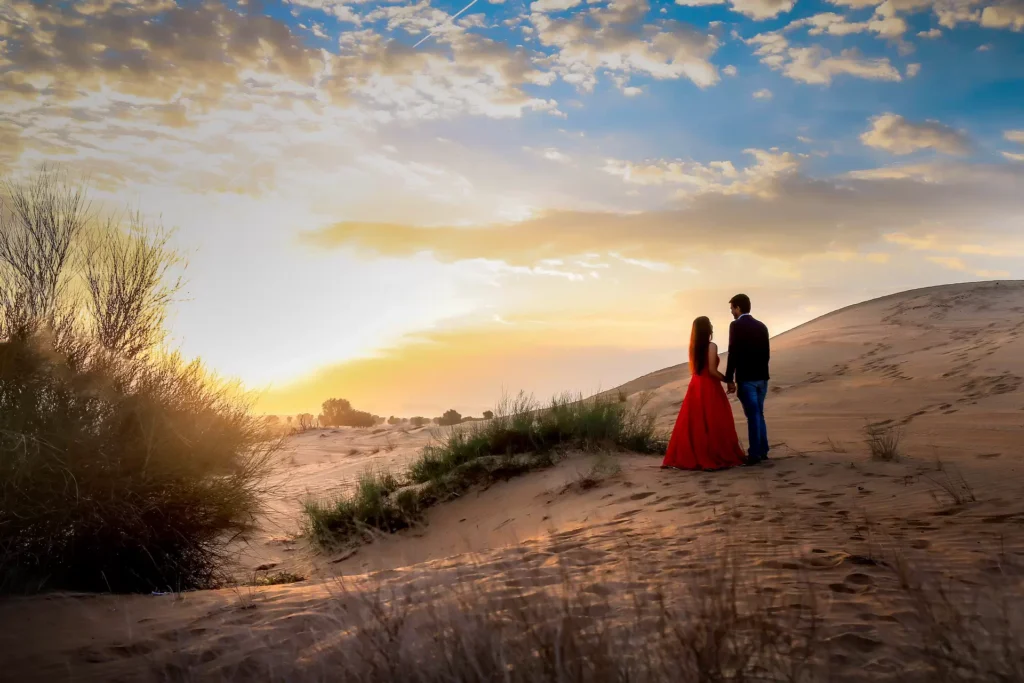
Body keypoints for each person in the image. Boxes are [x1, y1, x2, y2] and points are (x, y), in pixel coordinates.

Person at [662, 316, 747, 471]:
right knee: (715, 420)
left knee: (696, 422)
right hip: (709, 386)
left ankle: (694, 455)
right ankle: (714, 454)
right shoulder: (711, 346)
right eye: (709, 324)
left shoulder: (693, 347)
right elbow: (712, 371)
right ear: (706, 328)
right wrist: (728, 380)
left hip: (696, 386)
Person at [724, 293, 771, 465]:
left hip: (747, 378)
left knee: (752, 415)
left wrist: (729, 378)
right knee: (759, 413)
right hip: (762, 377)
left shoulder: (736, 326)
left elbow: (733, 352)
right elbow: (766, 354)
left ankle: (755, 454)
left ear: (738, 308)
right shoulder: (762, 326)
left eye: (732, 309)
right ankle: (763, 450)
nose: (731, 312)